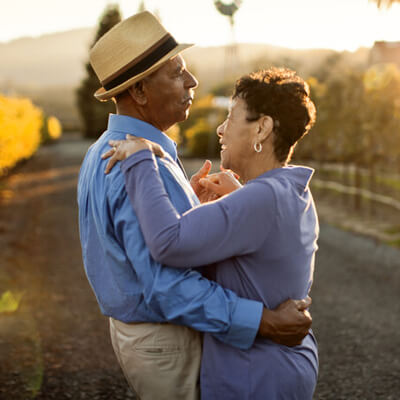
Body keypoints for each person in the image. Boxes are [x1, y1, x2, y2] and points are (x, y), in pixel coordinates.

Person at [77, 11, 312, 400]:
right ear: (138, 92)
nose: (193, 82)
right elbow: (164, 286)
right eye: (176, 73)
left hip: (145, 338)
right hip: (167, 340)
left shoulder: (101, 152)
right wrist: (265, 323)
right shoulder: (134, 164)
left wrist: (191, 208)